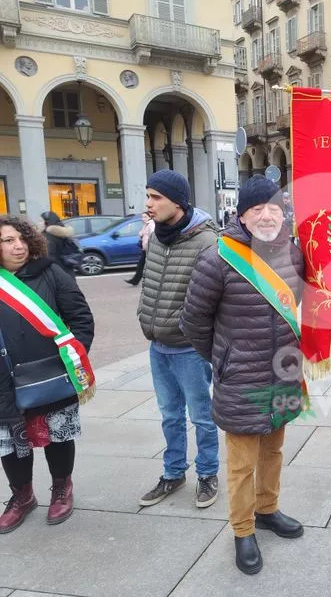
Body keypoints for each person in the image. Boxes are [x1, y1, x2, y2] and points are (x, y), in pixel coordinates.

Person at [182, 175, 306, 575]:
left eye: (273, 208)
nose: (267, 215)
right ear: (242, 215)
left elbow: (296, 304)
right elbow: (194, 322)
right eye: (257, 209)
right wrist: (224, 360)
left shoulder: (293, 253)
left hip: (283, 374)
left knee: (273, 451)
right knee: (240, 463)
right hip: (241, 379)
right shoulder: (218, 258)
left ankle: (267, 509)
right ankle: (242, 529)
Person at [0, 215, 94, 533]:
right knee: (11, 444)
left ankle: (61, 489)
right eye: (8, 240)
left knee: (58, 436)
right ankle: (22, 496)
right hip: (4, 381)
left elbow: (80, 318)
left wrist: (72, 361)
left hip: (50, 377)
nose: (18, 246)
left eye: (22, 238)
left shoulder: (50, 272)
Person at [136, 170, 220, 510]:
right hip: (157, 345)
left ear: (178, 202)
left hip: (189, 350)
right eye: (149, 195)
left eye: (156, 197)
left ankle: (208, 473)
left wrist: (194, 335)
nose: (149, 203)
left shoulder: (206, 242)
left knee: (201, 416)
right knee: (170, 415)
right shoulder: (156, 235)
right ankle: (173, 473)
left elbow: (213, 300)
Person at [125, 212, 155, 286]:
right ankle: (135, 280)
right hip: (145, 249)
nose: (143, 218)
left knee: (144, 266)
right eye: (142, 217)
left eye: (145, 217)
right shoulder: (146, 225)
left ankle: (136, 280)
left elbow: (153, 235)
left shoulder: (151, 224)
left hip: (150, 249)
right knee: (141, 265)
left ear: (149, 217)